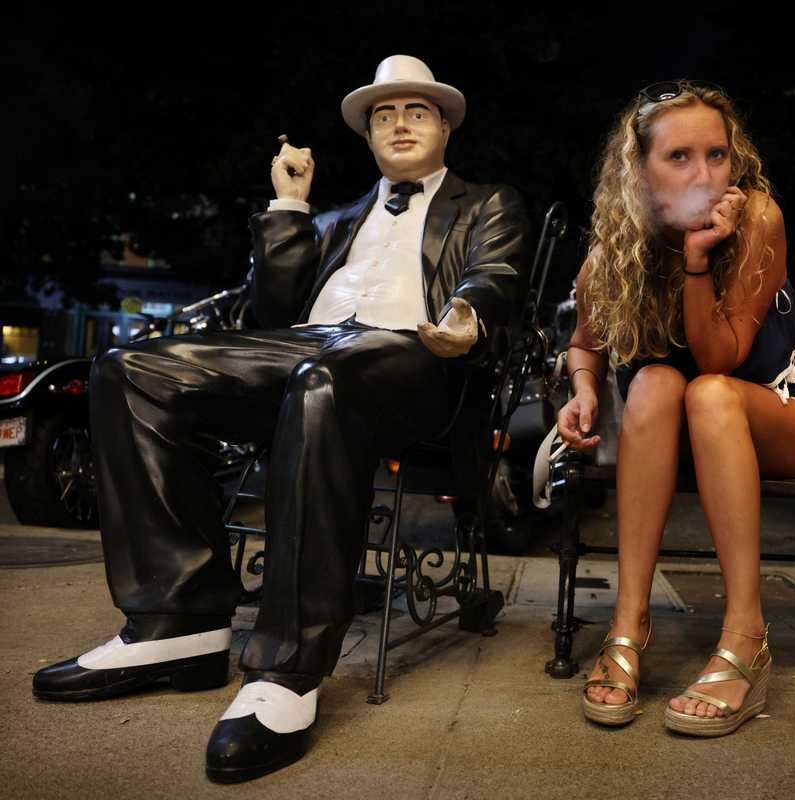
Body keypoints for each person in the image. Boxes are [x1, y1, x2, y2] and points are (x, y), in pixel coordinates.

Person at [32, 55, 530, 782]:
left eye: (415, 111)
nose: (398, 123)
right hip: (302, 351)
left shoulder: (487, 202)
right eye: (383, 115)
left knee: (325, 379)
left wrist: (467, 315)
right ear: (366, 136)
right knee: (130, 372)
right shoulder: (331, 219)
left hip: (415, 360)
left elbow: (496, 274)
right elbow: (271, 313)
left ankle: (286, 669)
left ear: (446, 126)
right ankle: (178, 622)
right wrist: (290, 208)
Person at [557, 81, 795, 738]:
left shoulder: (756, 219)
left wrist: (698, 262)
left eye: (717, 155)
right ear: (639, 172)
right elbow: (584, 343)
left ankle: (746, 636)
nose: (704, 175)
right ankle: (629, 625)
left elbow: (721, 360)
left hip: (775, 416)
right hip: (676, 432)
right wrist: (585, 388)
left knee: (702, 390)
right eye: (679, 157)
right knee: (650, 383)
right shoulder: (616, 250)